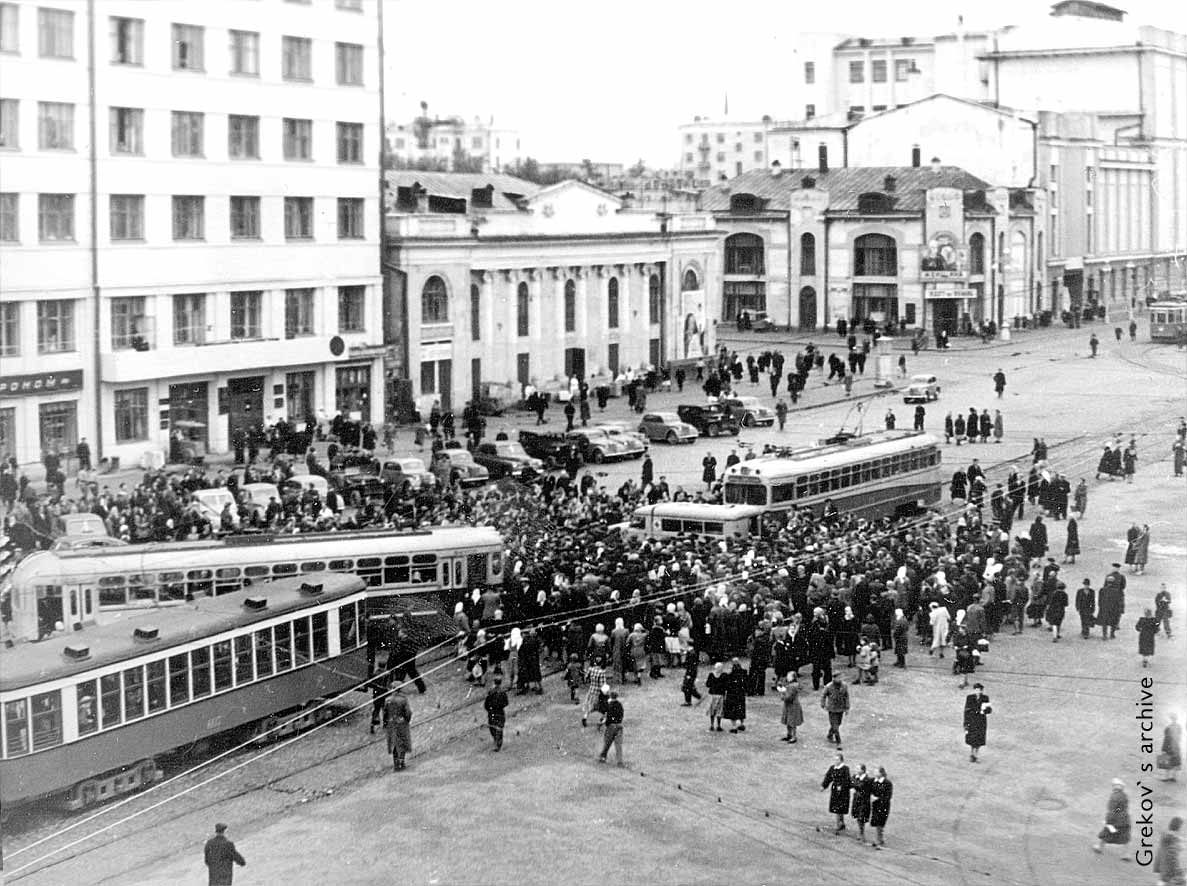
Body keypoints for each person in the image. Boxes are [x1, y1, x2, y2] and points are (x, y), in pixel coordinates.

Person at [1092, 779, 1131, 855]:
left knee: (1106, 833)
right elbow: (1121, 808)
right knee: (1124, 836)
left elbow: (1114, 810)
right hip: (1125, 819)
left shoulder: (1114, 797)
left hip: (1115, 820)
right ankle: (1127, 854)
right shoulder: (1124, 796)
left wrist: (1108, 819)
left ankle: (1100, 847)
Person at [821, 752, 852, 834]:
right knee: (837, 808)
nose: (835, 761)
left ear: (841, 760)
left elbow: (847, 780)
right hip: (835, 791)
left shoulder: (845, 769)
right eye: (835, 759)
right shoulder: (832, 768)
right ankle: (841, 823)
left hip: (843, 792)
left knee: (840, 808)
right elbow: (828, 777)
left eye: (837, 759)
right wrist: (824, 786)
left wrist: (841, 786)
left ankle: (839, 824)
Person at [383, 686, 413, 771]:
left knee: (394, 744)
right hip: (401, 724)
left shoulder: (387, 700)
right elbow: (408, 712)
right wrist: (407, 720)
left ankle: (396, 764)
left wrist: (385, 724)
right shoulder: (403, 699)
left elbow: (385, 713)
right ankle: (402, 762)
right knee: (402, 743)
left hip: (391, 724)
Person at [963, 682, 991, 763]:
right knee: (972, 738)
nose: (977, 691)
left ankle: (975, 754)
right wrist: (965, 722)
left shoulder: (985, 698)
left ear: (981, 691)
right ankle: (972, 753)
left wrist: (983, 710)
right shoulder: (970, 698)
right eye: (976, 690)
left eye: (979, 690)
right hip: (972, 720)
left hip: (981, 721)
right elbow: (967, 710)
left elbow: (989, 710)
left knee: (979, 739)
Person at [821, 672, 850, 745]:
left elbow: (846, 696)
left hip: (840, 708)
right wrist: (823, 704)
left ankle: (830, 734)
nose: (840, 679)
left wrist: (847, 708)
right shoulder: (828, 686)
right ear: (834, 678)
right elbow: (823, 695)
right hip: (832, 709)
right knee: (835, 726)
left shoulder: (844, 686)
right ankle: (838, 742)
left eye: (841, 677)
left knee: (838, 723)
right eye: (838, 678)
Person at [1153, 816, 1184, 886]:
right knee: (1179, 879)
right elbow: (1179, 848)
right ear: (1178, 827)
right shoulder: (1173, 837)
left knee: (1163, 879)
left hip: (1163, 862)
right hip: (1170, 863)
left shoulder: (1166, 835)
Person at [1099, 564, 1126, 640]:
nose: (1115, 569)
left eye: (1116, 568)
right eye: (1115, 568)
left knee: (1109, 617)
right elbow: (1123, 586)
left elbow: (1123, 586)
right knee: (1115, 615)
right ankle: (1111, 633)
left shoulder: (1119, 577)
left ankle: (1108, 633)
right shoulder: (1119, 577)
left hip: (1112, 597)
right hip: (1115, 597)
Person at [598, 690, 625, 766]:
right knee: (618, 745)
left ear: (610, 696)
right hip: (619, 726)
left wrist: (601, 723)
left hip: (611, 727)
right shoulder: (620, 705)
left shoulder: (609, 705)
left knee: (607, 743)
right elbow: (621, 715)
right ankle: (620, 761)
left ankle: (603, 756)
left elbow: (606, 716)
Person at [869, 766, 893, 849]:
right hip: (875, 805)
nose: (874, 773)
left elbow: (888, 796)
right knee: (876, 821)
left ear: (881, 773)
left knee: (881, 821)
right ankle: (879, 838)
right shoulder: (873, 781)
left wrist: (878, 798)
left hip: (884, 805)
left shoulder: (887, 783)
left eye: (876, 772)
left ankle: (879, 839)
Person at [850, 763, 874, 842]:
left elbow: (860, 786)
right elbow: (851, 783)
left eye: (858, 769)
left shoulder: (867, 779)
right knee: (857, 816)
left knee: (861, 817)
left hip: (864, 801)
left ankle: (861, 833)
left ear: (863, 770)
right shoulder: (856, 777)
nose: (856, 770)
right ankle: (860, 832)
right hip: (857, 800)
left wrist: (853, 783)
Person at [484, 675, 509, 751]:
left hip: (492, 712)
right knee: (499, 728)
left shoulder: (491, 692)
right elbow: (506, 703)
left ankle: (496, 741)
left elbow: (486, 704)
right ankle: (498, 743)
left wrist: (489, 709)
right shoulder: (503, 692)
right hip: (500, 712)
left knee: (493, 727)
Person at [778, 673, 804, 743]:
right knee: (790, 720)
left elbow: (788, 697)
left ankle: (793, 736)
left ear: (792, 678)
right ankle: (790, 735)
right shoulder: (793, 685)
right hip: (792, 705)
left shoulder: (791, 686)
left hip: (791, 705)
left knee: (791, 721)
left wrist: (782, 693)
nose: (787, 677)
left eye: (789, 676)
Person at [1159, 714, 1183, 783]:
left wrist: (1163, 749)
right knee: (1175, 763)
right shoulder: (1179, 727)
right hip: (1176, 747)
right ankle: (1174, 778)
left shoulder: (1168, 727)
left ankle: (1167, 778)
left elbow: (1166, 739)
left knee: (1167, 762)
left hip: (1169, 746)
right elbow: (1179, 737)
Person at [705, 661, 727, 732]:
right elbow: (726, 686)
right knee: (719, 711)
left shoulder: (711, 675)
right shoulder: (724, 675)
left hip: (713, 694)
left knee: (713, 711)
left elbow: (708, 684)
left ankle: (712, 725)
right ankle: (718, 725)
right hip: (719, 695)